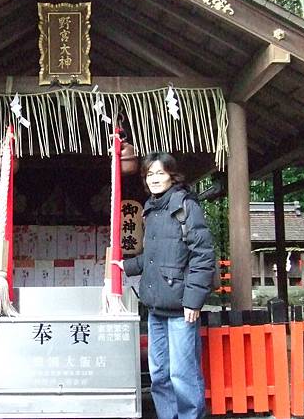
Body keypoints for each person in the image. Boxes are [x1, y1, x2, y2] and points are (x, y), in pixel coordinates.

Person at [112, 152, 215, 419]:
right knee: (159, 374)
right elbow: (155, 256)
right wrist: (127, 266)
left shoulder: (185, 206)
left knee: (182, 373)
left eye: (160, 173)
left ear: (172, 175)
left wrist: (193, 300)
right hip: (156, 305)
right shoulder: (151, 207)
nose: (155, 179)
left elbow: (202, 255)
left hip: (182, 306)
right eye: (150, 174)